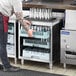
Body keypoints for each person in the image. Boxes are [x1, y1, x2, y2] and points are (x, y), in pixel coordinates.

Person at [0, 0, 33, 72]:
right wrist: (28, 30)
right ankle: (7, 66)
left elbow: (17, 15)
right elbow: (19, 16)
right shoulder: (17, 0)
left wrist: (23, 20)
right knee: (2, 44)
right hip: (1, 18)